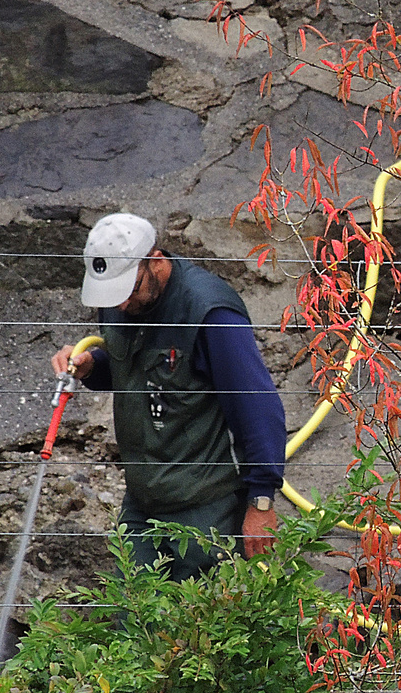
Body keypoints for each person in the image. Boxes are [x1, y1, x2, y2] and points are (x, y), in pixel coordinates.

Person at [52, 213, 286, 580]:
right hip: (140, 506)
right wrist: (91, 367)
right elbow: (137, 369)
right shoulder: (120, 300)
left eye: (127, 291)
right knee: (132, 625)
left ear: (156, 260)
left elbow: (256, 407)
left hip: (205, 513)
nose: (121, 305)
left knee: (205, 631)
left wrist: (261, 500)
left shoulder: (209, 312)